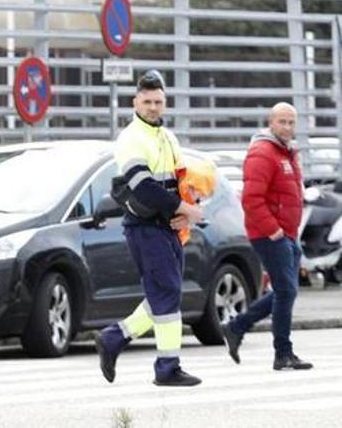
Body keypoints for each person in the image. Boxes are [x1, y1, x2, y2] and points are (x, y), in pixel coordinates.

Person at [95, 70, 206, 387]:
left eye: (158, 101)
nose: (153, 107)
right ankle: (166, 367)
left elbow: (182, 182)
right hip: (144, 227)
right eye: (147, 102)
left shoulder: (167, 137)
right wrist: (185, 210)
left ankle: (114, 338)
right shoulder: (131, 138)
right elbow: (143, 188)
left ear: (165, 103)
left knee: (164, 292)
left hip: (168, 228)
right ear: (135, 102)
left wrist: (186, 212)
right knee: (167, 291)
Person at [221, 103, 313, 371]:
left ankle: (237, 326)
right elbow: (251, 199)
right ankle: (282, 353)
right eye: (282, 122)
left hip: (288, 234)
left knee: (287, 292)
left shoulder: (288, 153)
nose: (287, 127)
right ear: (270, 123)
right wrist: (273, 231)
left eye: (291, 123)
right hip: (270, 235)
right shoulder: (263, 153)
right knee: (286, 291)